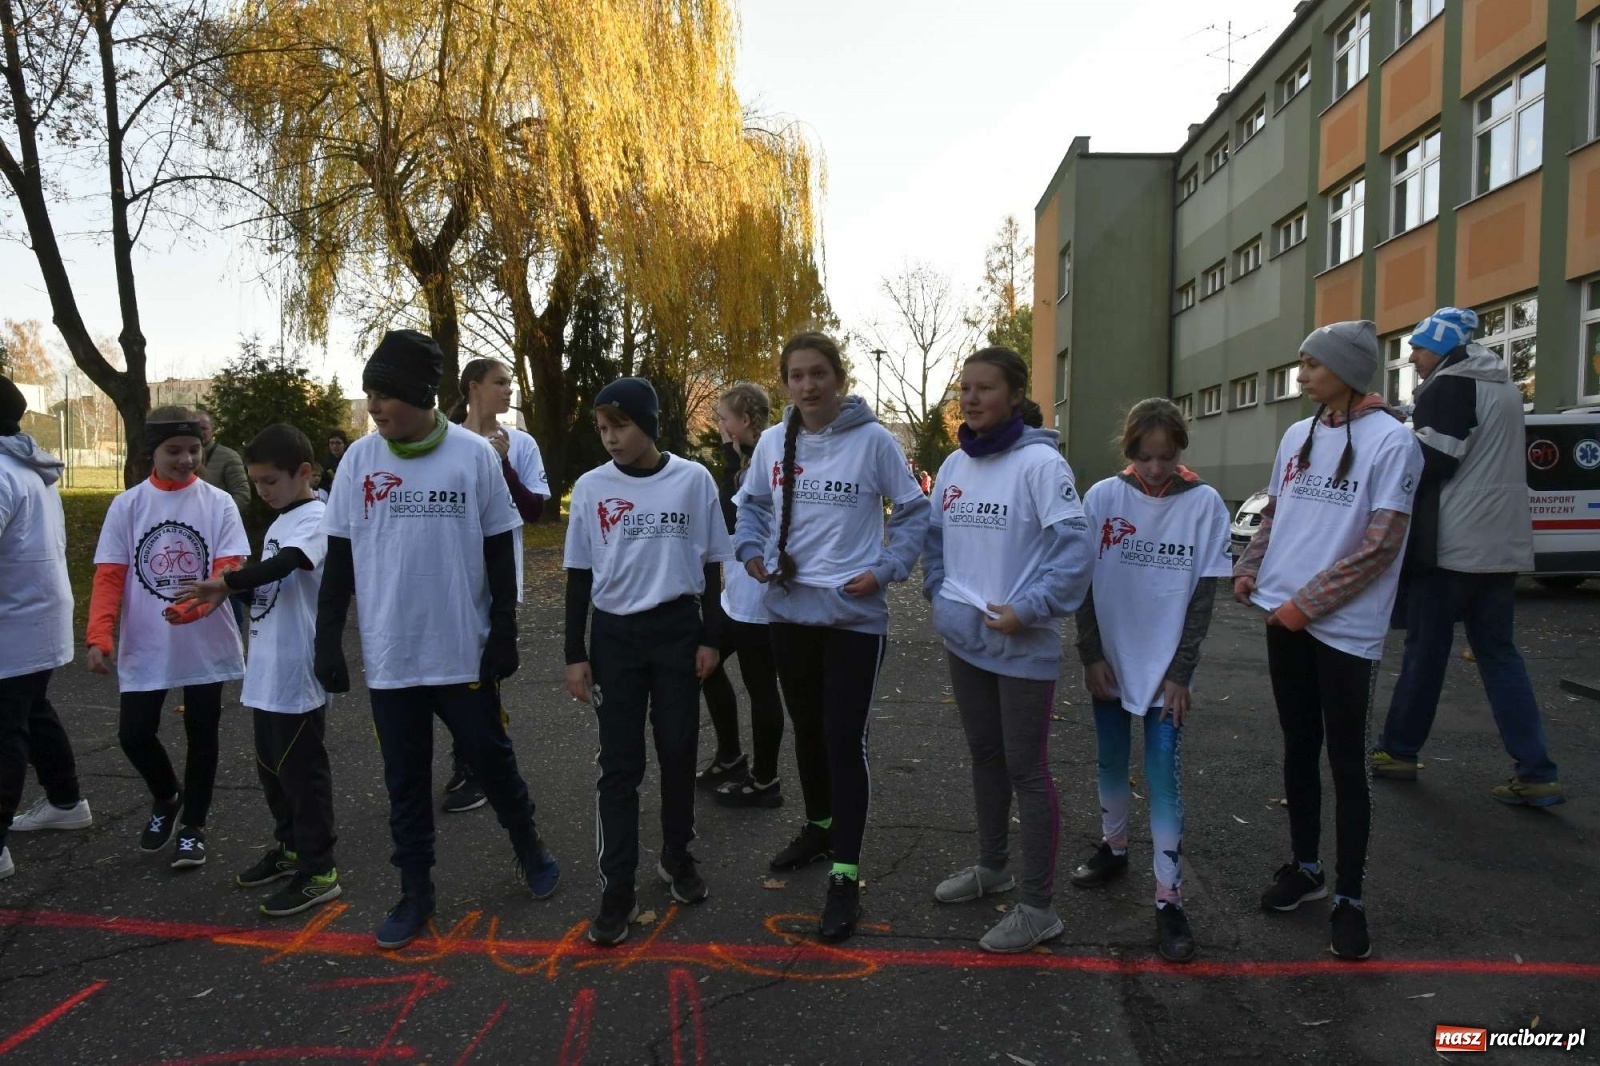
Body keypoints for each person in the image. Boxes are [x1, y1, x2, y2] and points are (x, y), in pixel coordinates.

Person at [315, 329, 559, 950]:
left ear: (419, 395)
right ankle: (415, 892)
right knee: (404, 780)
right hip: (392, 657)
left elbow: (500, 546)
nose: (373, 406)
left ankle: (528, 846)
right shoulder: (359, 462)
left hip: (464, 651)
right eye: (369, 394)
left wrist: (504, 629)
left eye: (383, 394)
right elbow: (339, 555)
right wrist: (325, 639)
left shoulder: (472, 456)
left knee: (492, 760)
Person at [1233, 321, 1423, 961]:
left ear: (1347, 370)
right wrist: (1251, 567)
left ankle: (1350, 896)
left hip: (1341, 629)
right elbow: (1278, 512)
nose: (1301, 374)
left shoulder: (1394, 443)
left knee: (1346, 762)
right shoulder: (1298, 433)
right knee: (1298, 746)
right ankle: (1306, 868)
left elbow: (1381, 547)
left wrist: (1302, 607)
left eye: (1312, 364)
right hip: (1283, 617)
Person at [734, 332, 930, 943]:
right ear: (785, 382)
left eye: (818, 373)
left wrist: (887, 570)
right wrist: (749, 550)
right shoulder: (772, 441)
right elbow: (753, 508)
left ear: (839, 379)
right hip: (789, 612)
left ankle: (845, 872)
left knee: (845, 739)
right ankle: (820, 828)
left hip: (851, 616)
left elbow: (915, 512)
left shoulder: (873, 442)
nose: (807, 385)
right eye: (795, 375)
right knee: (809, 731)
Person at [922, 348, 1092, 953]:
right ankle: (992, 868)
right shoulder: (953, 466)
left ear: (1015, 395)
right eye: (963, 388)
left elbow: (1075, 548)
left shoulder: (1041, 465)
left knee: (1027, 768)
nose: (970, 398)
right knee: (985, 756)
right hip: (964, 639)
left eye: (984, 388)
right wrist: (939, 595)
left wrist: (1031, 608)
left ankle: (1039, 907)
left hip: (1022, 645)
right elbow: (936, 539)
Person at [1371, 307, 1564, 807]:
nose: (1411, 356)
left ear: (1442, 345)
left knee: (1425, 652)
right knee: (1500, 656)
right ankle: (1537, 770)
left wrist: (1387, 437)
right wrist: (1402, 417)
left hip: (1453, 545)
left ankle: (1399, 751)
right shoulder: (1501, 387)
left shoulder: (1450, 386)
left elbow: (1432, 459)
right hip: (1501, 546)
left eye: (1417, 346)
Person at [564, 378, 732, 946]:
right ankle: (618, 888)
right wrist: (574, 652)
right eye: (603, 429)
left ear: (650, 425)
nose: (611, 438)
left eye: (622, 426)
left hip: (678, 632)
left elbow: (712, 564)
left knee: (679, 748)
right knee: (620, 764)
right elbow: (580, 573)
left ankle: (677, 855)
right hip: (615, 638)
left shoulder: (692, 480)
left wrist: (712, 637)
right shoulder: (591, 488)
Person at [1071, 398, 1232, 963]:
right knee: (1110, 760)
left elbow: (1203, 598)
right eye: (1145, 457)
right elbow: (1082, 585)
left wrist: (1180, 673)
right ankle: (1114, 848)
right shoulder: (1103, 498)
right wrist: (1091, 655)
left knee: (1163, 779)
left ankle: (1169, 898)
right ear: (1130, 451)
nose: (1156, 469)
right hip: (1111, 661)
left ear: (1180, 450)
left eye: (1166, 457)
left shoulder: (1206, 504)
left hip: (1166, 672)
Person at [176, 424, 341, 917]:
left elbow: (285, 566)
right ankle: (290, 847)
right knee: (271, 771)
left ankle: (319, 870)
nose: (263, 491)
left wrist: (226, 581)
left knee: (301, 774)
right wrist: (225, 593)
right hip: (266, 670)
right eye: (258, 482)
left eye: (271, 481)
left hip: (297, 672)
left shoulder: (316, 518)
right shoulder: (279, 521)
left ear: (304, 473)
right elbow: (263, 590)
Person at [88, 405, 249, 869]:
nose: (185, 459)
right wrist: (100, 633)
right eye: (173, 450)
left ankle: (194, 827)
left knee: (203, 734)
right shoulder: (129, 505)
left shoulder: (218, 503)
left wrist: (195, 604)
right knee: (134, 734)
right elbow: (109, 575)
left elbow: (231, 565)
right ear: (151, 453)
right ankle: (166, 795)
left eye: (194, 449)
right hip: (149, 640)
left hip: (204, 639)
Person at [443, 357, 551, 814]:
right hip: (448, 572)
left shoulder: (520, 443)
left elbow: (533, 511)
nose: (509, 391)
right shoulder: (445, 441)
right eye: (500, 383)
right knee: (448, 672)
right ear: (474, 387)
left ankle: (480, 767)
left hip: (497, 573)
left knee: (484, 671)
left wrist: (503, 464)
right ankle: (468, 758)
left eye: (510, 382)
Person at [0, 376, 92, 880]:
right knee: (32, 711)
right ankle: (65, 800)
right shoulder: (27, 466)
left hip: (15, 618)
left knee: (6, 725)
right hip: (36, 613)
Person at [695, 383, 787, 810]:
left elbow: (734, 515)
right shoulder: (744, 458)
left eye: (722, 418)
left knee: (761, 687)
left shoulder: (769, 456)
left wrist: (733, 459)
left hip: (758, 598)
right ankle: (731, 754)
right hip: (735, 594)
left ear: (744, 422)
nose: (718, 424)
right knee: (705, 665)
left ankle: (765, 781)